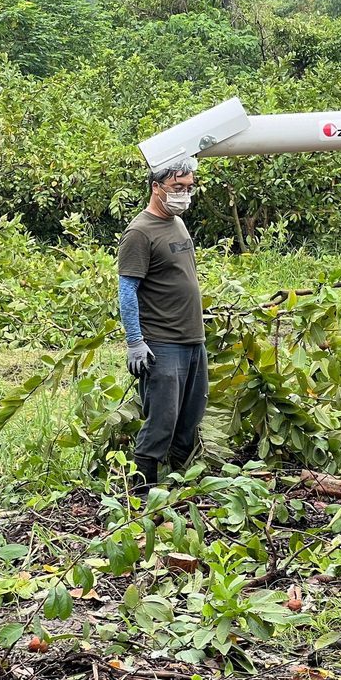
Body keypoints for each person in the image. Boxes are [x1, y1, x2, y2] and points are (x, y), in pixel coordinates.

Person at [117, 156, 208, 487]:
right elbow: (127, 291)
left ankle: (180, 485)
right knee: (162, 421)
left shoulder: (178, 223)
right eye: (177, 188)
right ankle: (143, 494)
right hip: (162, 342)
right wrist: (135, 341)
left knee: (190, 415)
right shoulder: (139, 233)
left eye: (189, 188)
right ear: (156, 187)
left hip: (192, 337)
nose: (184, 194)